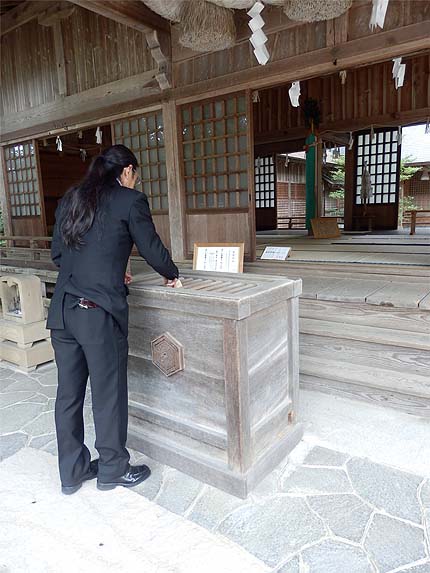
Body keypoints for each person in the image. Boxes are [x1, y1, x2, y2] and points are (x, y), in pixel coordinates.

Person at [47, 144, 179, 495]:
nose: (135, 181)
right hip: (97, 313)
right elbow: (151, 249)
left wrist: (108, 272)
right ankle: (113, 469)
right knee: (108, 393)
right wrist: (172, 273)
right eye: (136, 175)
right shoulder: (129, 200)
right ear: (127, 171)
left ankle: (72, 473)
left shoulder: (73, 198)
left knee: (69, 396)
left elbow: (59, 254)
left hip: (62, 312)